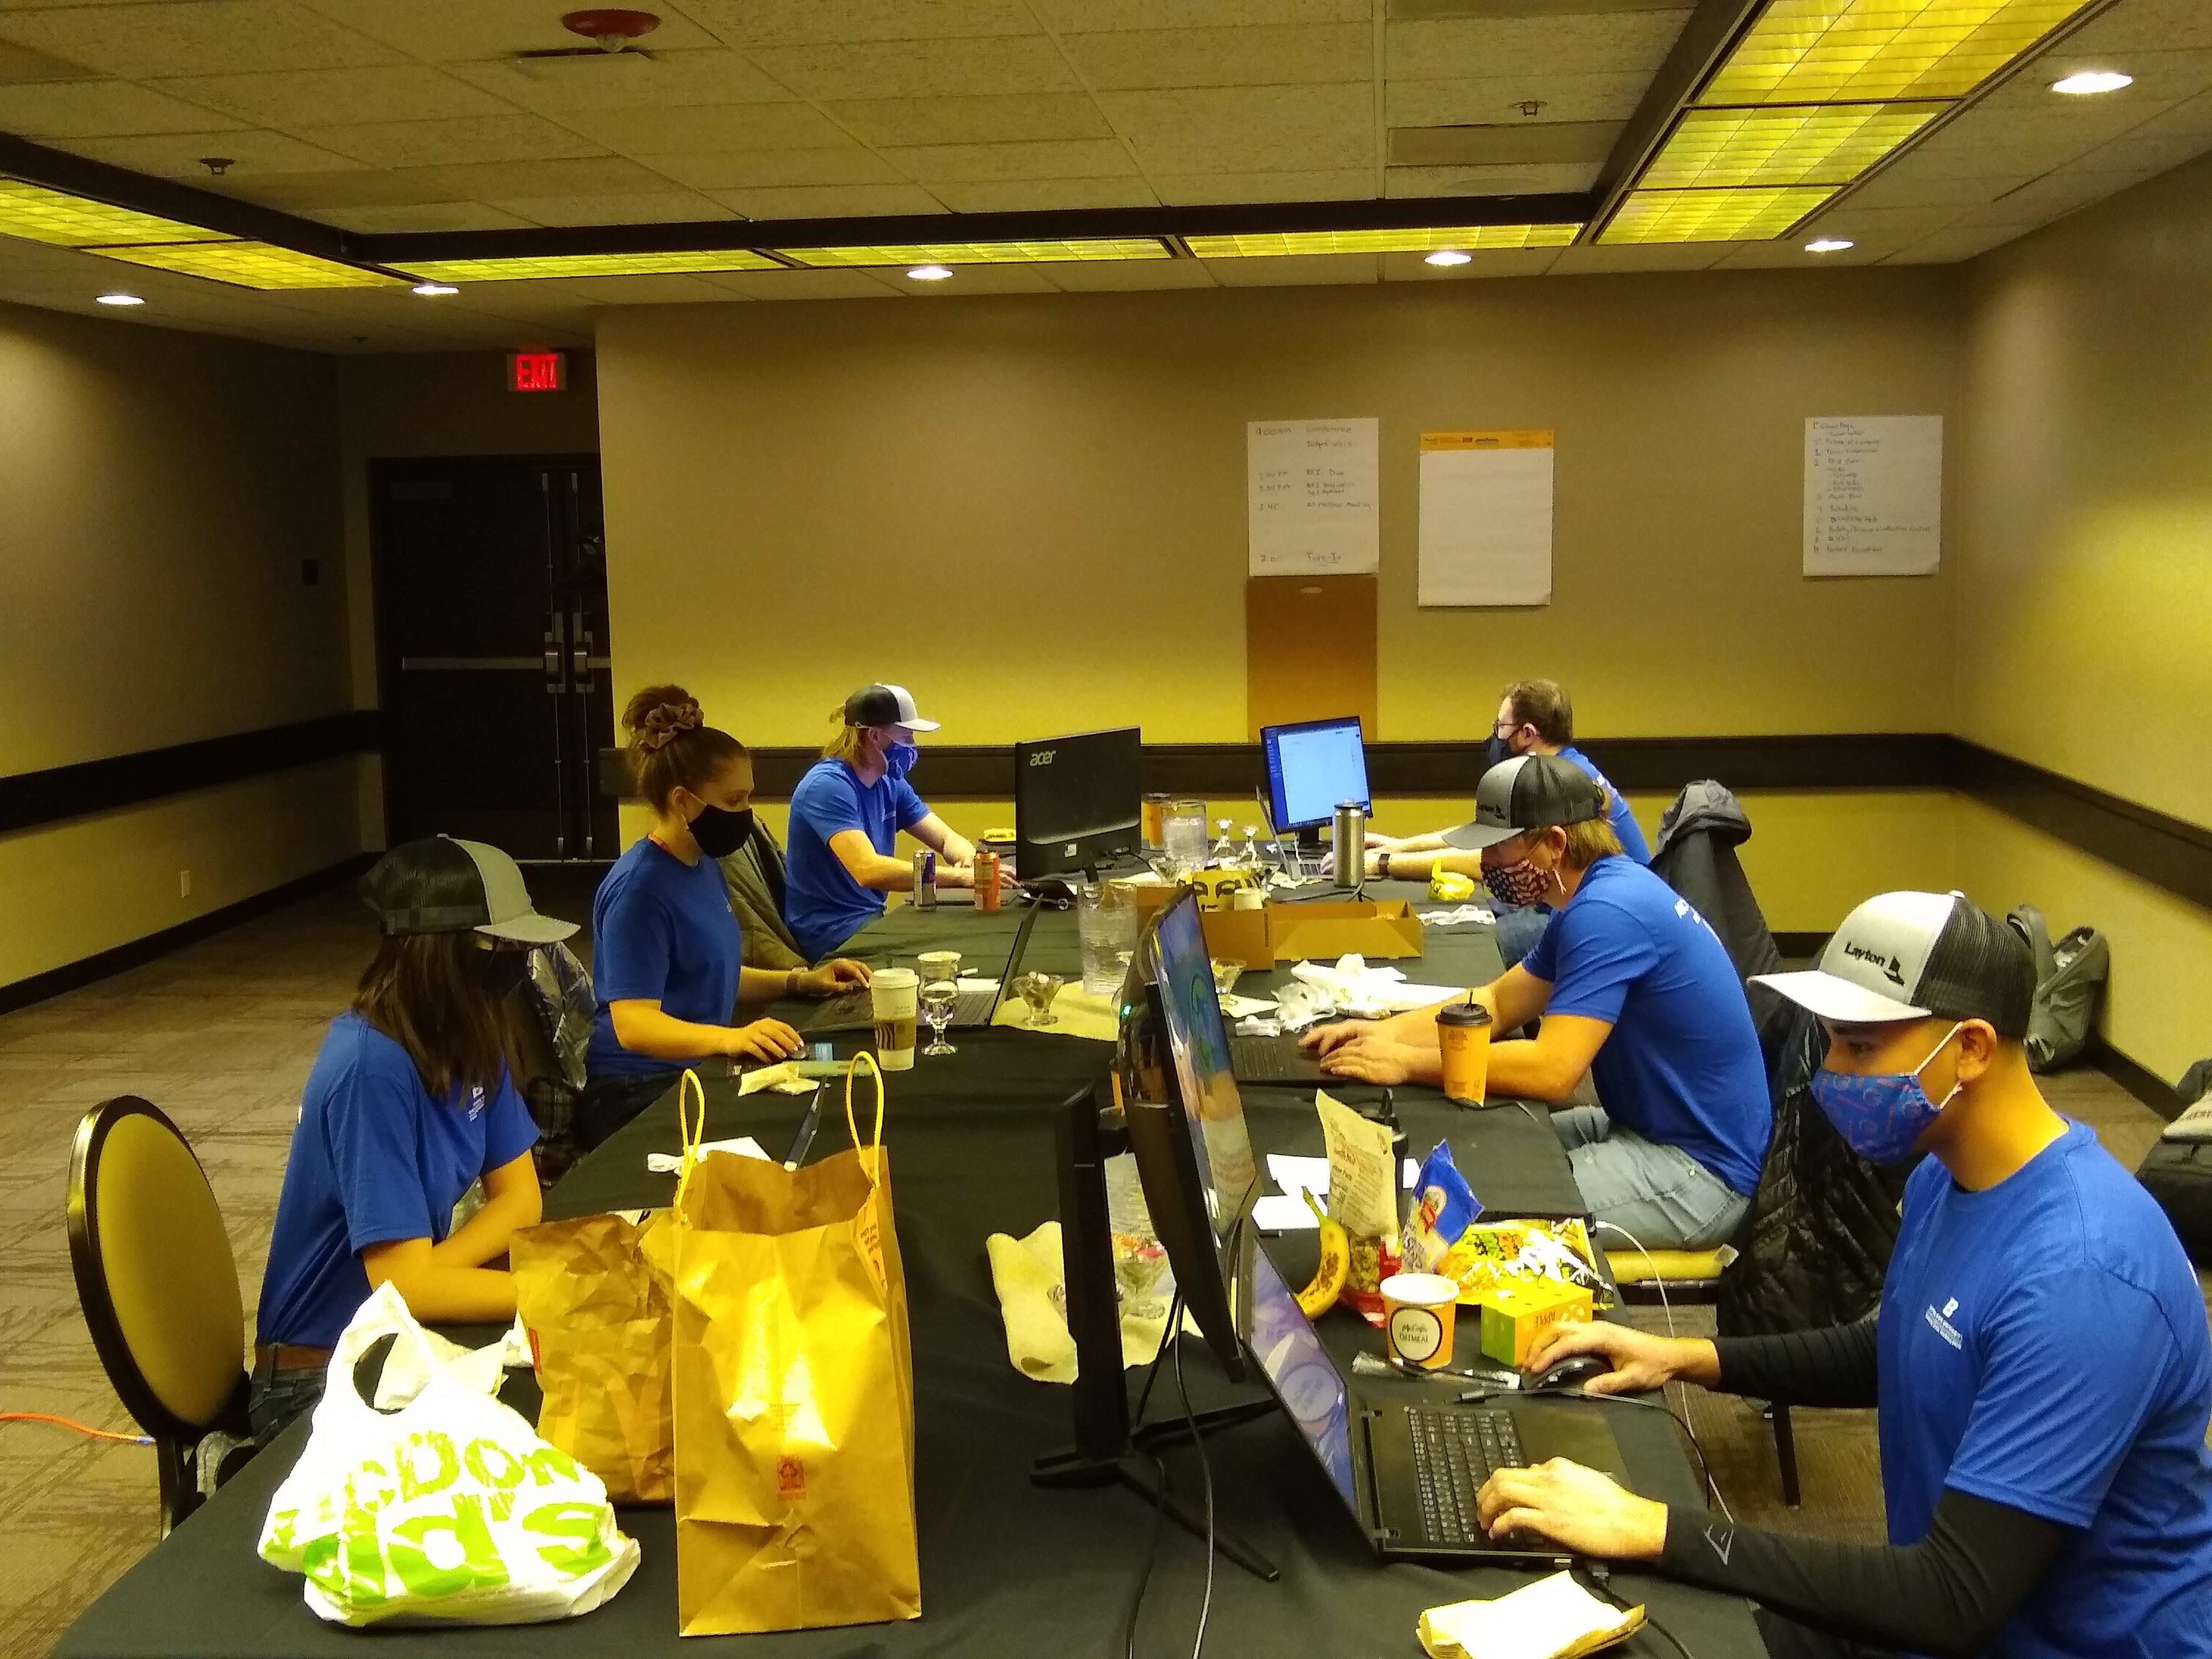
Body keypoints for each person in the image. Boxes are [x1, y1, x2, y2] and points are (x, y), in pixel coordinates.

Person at [1471, 891, 2212, 1659]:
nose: (1829, 1075)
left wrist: (1654, 1527)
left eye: (1859, 1048)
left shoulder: (2085, 1278)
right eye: (1829, 1043)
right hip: (1940, 1613)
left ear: (1974, 1048)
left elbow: (1953, 1597)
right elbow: (1900, 1348)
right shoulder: (1945, 1176)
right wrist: (1690, 1358)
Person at [1305, 754, 1769, 1250]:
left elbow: (1552, 1070)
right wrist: (1382, 1031)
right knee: (1476, 1154)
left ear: (1554, 844)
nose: (1487, 865)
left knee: (1459, 1215)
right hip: (1645, 1126)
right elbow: (1497, 1003)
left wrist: (1407, 1062)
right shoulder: (1597, 895)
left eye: (1499, 848)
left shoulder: (1608, 913)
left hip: (1700, 1173)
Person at [251, 837, 563, 1443]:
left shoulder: (473, 1032)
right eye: (502, 947)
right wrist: (556, 1292)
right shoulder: (370, 1068)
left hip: (399, 1329)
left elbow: (520, 1200)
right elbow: (407, 1285)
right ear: (446, 952)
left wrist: (433, 1274)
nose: (517, 965)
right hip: (321, 1375)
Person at [578, 686, 869, 1150]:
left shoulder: (702, 864)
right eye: (734, 801)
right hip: (635, 1094)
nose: (747, 816)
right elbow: (634, 1025)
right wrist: (729, 1040)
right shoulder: (640, 890)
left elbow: (713, 976)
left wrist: (801, 982)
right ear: (683, 801)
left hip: (691, 1070)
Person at [1365, 678, 1649, 966]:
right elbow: (1488, 835)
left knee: (1477, 947)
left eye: (1500, 728)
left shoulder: (1553, 786)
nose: (1495, 738)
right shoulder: (1557, 768)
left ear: (1527, 733)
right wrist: (1401, 846)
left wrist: (1384, 864)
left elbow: (1487, 857)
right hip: (1576, 901)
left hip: (1607, 918)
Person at [783, 683, 1008, 961]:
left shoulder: (889, 782)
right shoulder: (827, 787)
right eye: (906, 736)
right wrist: (961, 878)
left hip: (869, 920)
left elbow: (945, 838)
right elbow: (868, 870)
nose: (912, 747)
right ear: (875, 736)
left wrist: (971, 861)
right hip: (831, 935)